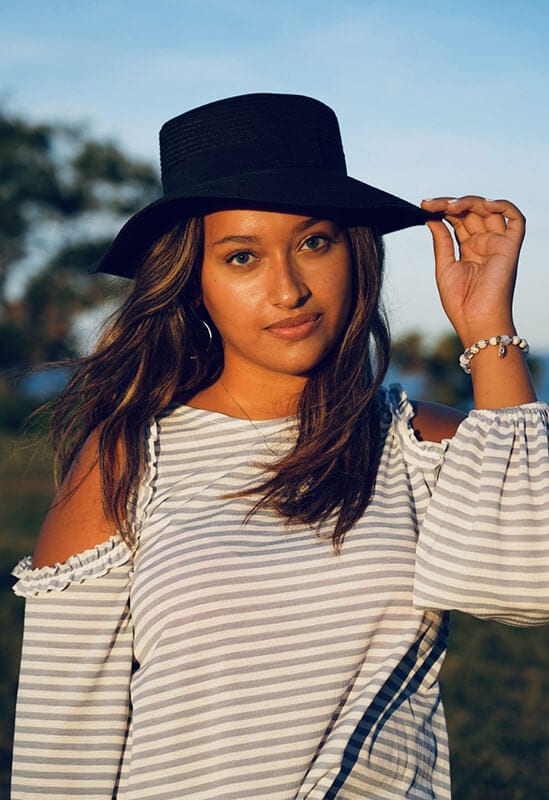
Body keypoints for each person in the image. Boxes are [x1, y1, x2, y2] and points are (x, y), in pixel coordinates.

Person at [11, 93, 549, 799]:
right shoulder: (127, 457)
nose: (288, 289)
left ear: (355, 255)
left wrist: (487, 331)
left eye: (313, 243)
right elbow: (63, 744)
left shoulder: (416, 441)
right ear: (194, 284)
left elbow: (529, 587)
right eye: (241, 257)